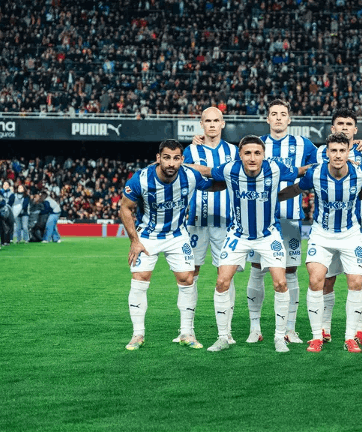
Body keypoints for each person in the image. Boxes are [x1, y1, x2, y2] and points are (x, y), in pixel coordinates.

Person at [187, 135, 312, 353]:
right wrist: (180, 164)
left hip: (268, 235)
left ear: (263, 155)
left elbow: (300, 171)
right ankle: (223, 337)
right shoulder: (230, 169)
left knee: (281, 283)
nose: (252, 158)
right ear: (240, 155)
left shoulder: (275, 168)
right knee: (222, 282)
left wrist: (331, 163)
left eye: (257, 153)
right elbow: (206, 170)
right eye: (247, 153)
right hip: (238, 236)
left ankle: (279, 337)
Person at [119, 139, 225, 351]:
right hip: (147, 235)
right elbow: (125, 208)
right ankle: (137, 334)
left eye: (176, 158)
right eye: (166, 157)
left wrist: (235, 179)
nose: (171, 163)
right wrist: (134, 241)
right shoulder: (141, 179)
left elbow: (214, 184)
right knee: (140, 278)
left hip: (177, 235)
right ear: (158, 158)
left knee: (187, 279)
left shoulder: (190, 176)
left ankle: (186, 332)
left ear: (182, 160)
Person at [279, 132, 362, 353]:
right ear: (327, 153)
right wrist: (273, 197)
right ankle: (316, 336)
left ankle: (350, 337)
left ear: (348, 152)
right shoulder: (315, 173)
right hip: (321, 234)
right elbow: (297, 188)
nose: (338, 155)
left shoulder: (361, 173)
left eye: (342, 150)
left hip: (351, 234)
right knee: (316, 280)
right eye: (334, 151)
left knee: (356, 283)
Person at [246, 99, 317, 345]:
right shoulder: (256, 144)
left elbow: (323, 161)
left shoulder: (304, 144)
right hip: (259, 219)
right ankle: (255, 327)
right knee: (257, 269)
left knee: (290, 271)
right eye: (273, 113)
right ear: (267, 118)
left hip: (290, 218)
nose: (278, 117)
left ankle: (290, 329)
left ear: (289, 119)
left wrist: (357, 145)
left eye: (282, 114)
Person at [316, 109, 362, 346]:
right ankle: (324, 328)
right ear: (332, 128)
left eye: (349, 124)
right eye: (340, 123)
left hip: (357, 227)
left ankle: (358, 330)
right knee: (327, 279)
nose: (344, 127)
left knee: (360, 280)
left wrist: (356, 183)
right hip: (326, 229)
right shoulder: (320, 153)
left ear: (355, 129)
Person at [175, 107, 240, 345]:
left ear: (223, 124)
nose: (212, 124)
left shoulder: (233, 151)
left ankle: (227, 330)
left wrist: (205, 172)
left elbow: (235, 176)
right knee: (189, 274)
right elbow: (183, 175)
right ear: (201, 125)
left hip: (226, 222)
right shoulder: (190, 150)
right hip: (196, 221)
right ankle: (186, 329)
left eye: (216, 120)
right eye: (207, 121)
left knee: (226, 276)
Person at [0, 180, 15, 246]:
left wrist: (3, 205)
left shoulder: (11, 194)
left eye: (6, 185)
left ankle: (7, 240)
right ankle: (2, 241)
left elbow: (10, 203)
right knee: (1, 227)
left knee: (7, 226)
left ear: (9, 186)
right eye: (4, 184)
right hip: (1, 211)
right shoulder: (0, 193)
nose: (5, 186)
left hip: (8, 211)